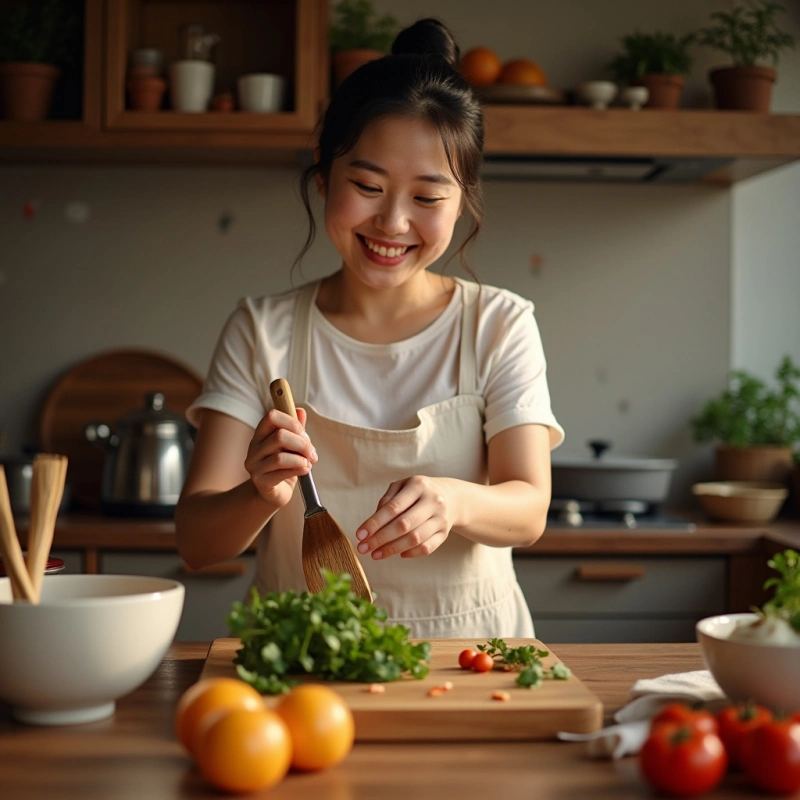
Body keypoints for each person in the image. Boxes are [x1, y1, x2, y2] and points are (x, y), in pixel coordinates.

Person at [175, 18, 564, 639]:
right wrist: (260, 493)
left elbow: (530, 508)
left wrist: (457, 500)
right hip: (299, 657)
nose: (392, 222)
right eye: (367, 185)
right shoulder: (261, 329)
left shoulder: (499, 323)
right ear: (323, 174)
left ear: (463, 200)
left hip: (470, 656)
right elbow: (196, 543)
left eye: (428, 198)